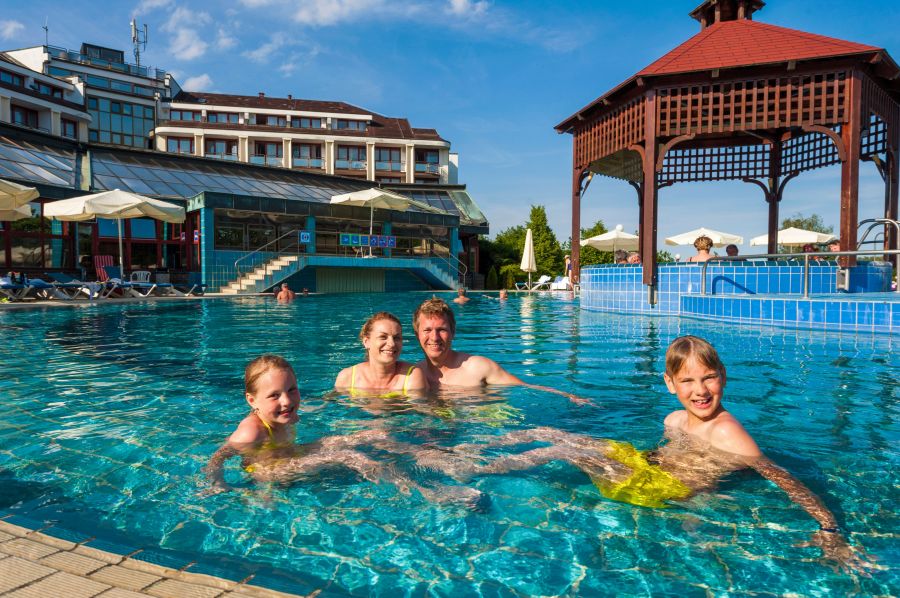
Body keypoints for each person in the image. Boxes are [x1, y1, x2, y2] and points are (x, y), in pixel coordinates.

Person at [424, 336, 873, 573]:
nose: (700, 390)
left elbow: (784, 478)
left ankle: (476, 469)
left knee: (561, 447)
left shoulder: (729, 433)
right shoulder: (674, 420)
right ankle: (473, 451)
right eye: (688, 381)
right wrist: (622, 458)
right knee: (550, 431)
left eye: (709, 378)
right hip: (649, 469)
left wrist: (829, 529)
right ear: (670, 384)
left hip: (664, 490)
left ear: (723, 377)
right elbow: (661, 454)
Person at [205, 355, 482, 507]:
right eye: (274, 395)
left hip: (289, 455)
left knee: (374, 435)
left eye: (292, 390)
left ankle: (440, 459)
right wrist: (218, 484)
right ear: (251, 400)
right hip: (271, 473)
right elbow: (218, 458)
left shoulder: (285, 413)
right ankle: (427, 492)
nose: (287, 401)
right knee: (351, 456)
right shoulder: (250, 432)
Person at [413, 297, 589, 403]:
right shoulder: (413, 374)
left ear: (453, 332)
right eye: (427, 330)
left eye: (442, 330)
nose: (434, 337)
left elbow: (524, 387)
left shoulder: (477, 367)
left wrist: (565, 395)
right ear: (417, 334)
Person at [335, 312, 426, 395]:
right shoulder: (347, 377)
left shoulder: (411, 376)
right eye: (383, 337)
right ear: (366, 342)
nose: (392, 344)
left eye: (396, 338)